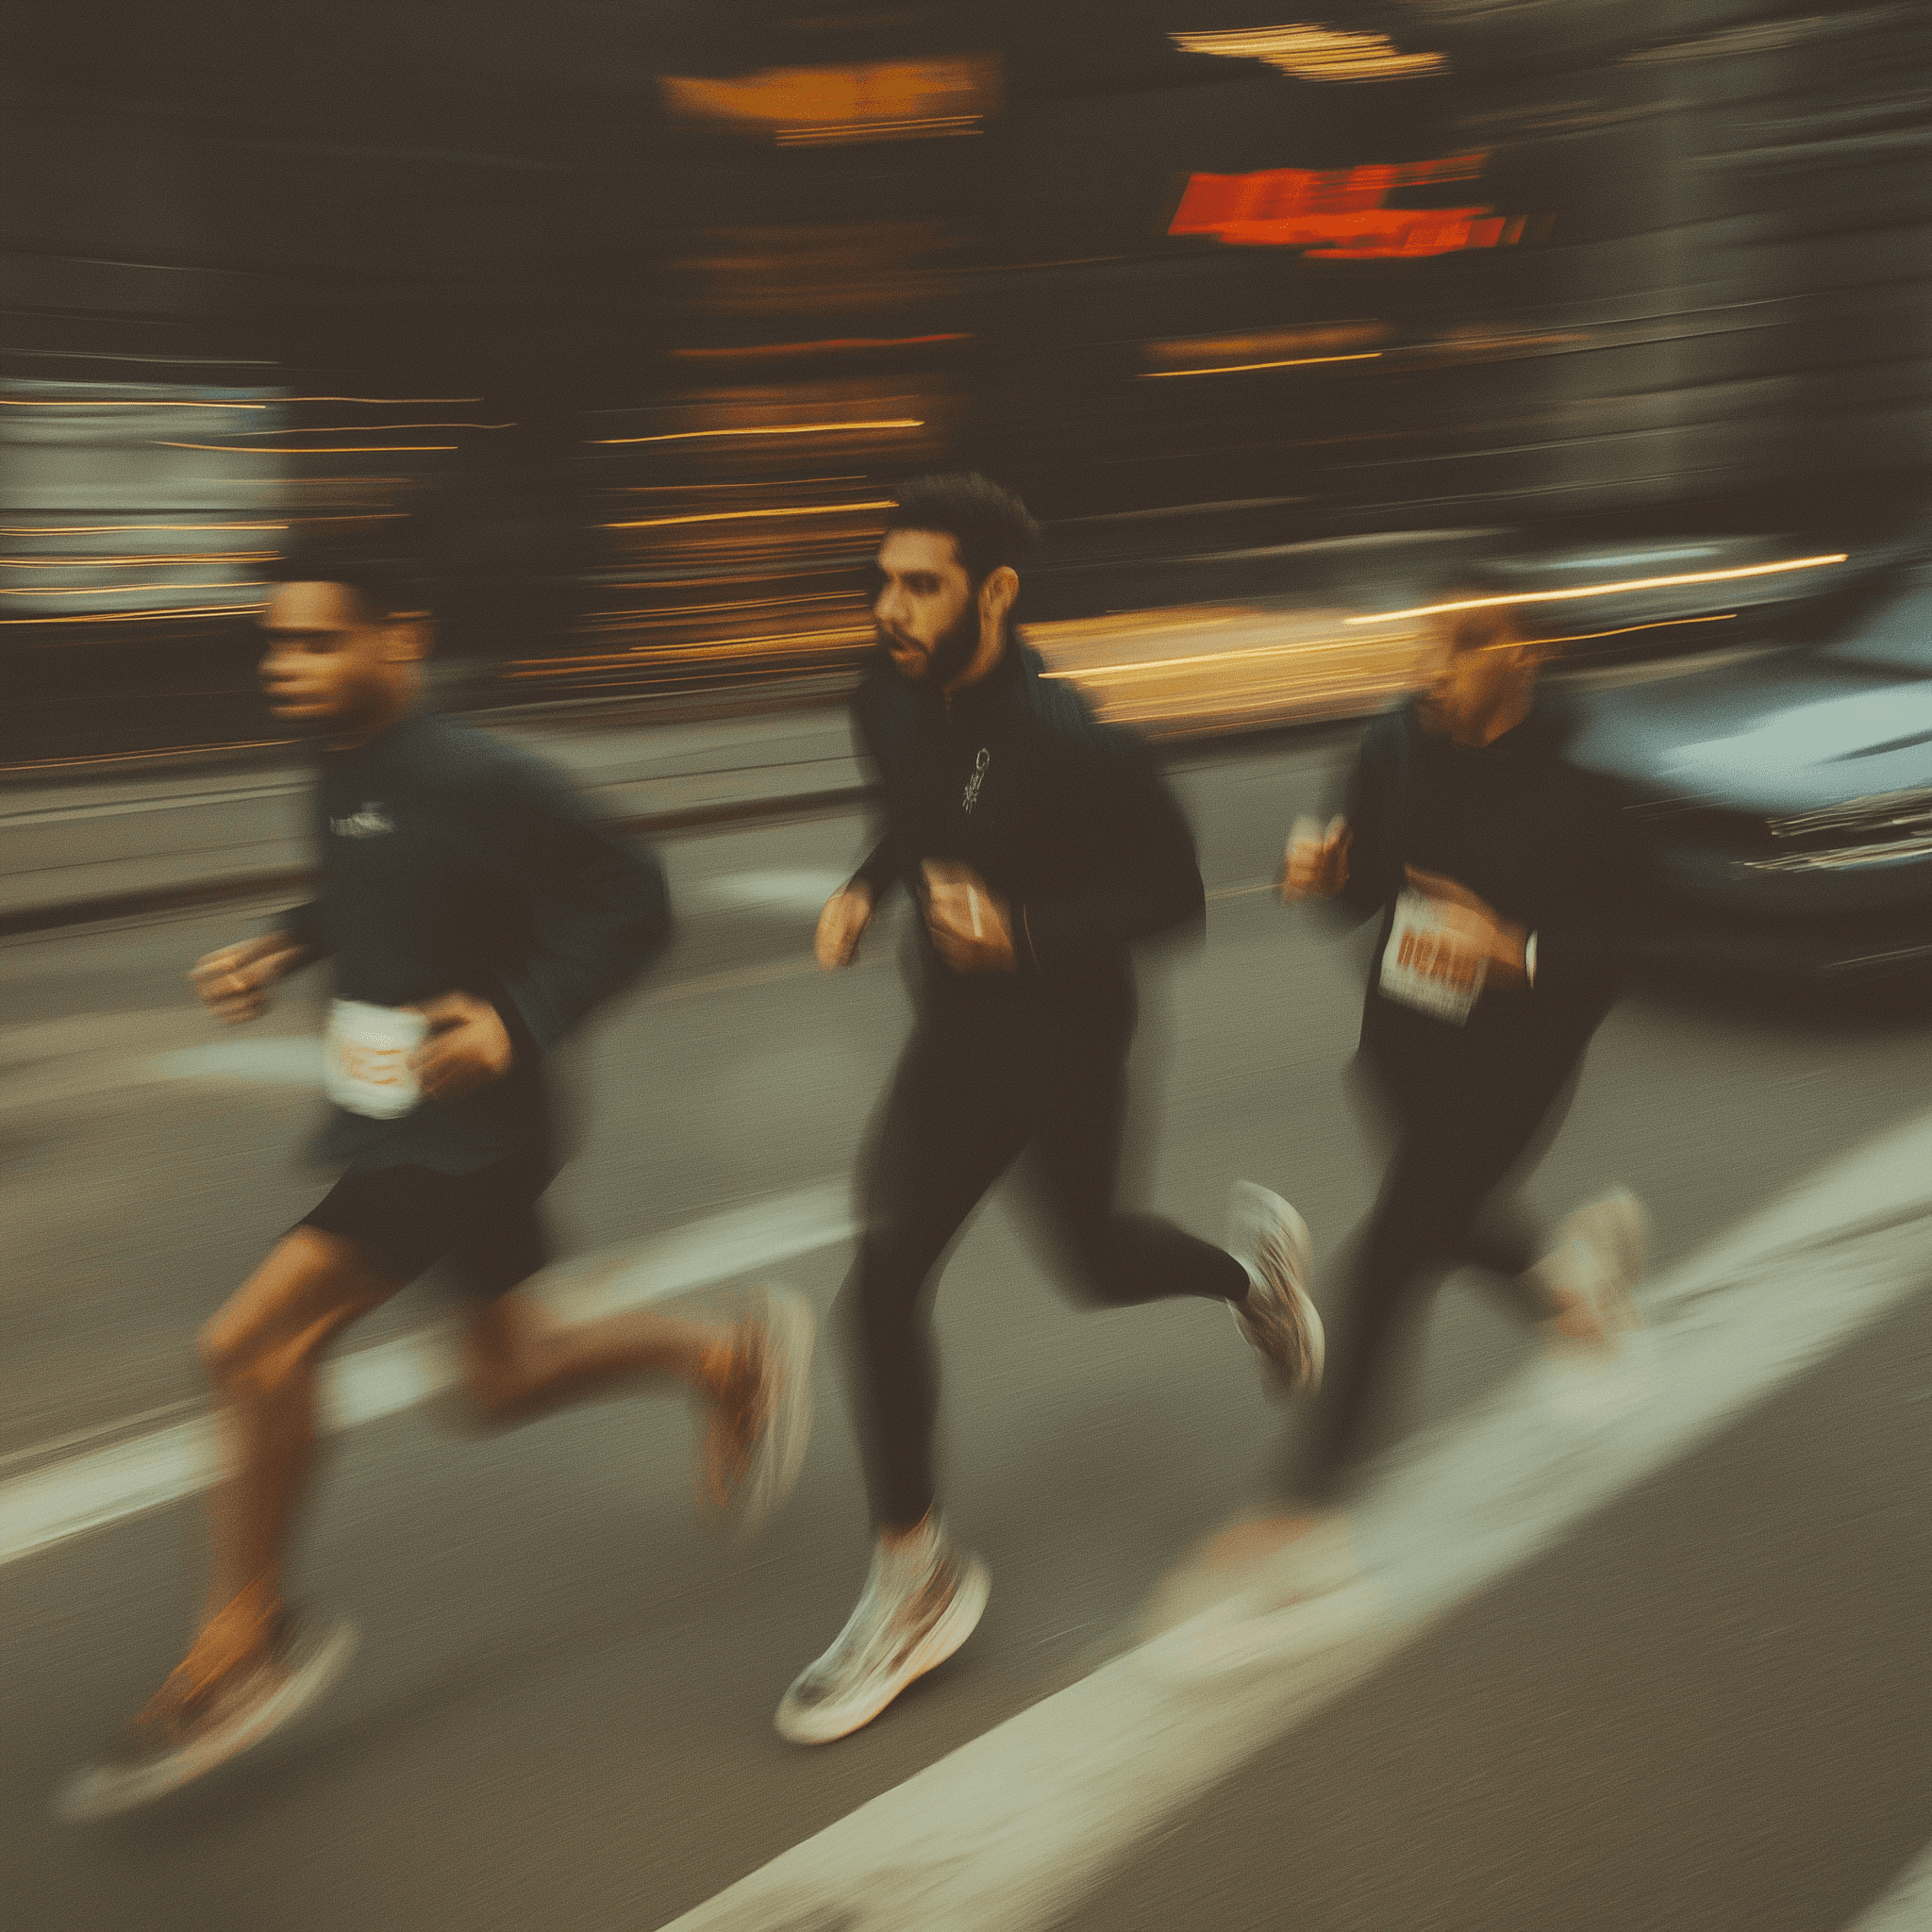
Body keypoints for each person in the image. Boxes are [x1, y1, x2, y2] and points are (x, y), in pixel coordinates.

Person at [57, 547, 814, 1821]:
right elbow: (369, 878)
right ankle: (721, 1360)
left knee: (249, 1344)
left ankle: (246, 1644)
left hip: (465, 1132)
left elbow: (632, 899)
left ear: (397, 642)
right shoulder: (343, 769)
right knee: (500, 1377)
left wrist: (516, 1019)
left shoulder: (483, 777)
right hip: (396, 1119)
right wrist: (284, 943)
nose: (284, 670)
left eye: (313, 645)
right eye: (273, 648)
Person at [775, 473, 1324, 1746]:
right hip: (955, 1041)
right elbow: (911, 814)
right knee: (887, 1275)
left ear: (996, 592)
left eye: (921, 585)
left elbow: (1177, 901)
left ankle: (1252, 1280)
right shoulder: (886, 699)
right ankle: (915, 1580)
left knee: (1093, 1257)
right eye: (883, 582)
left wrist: (1021, 930)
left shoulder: (1082, 745)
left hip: (1071, 1040)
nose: (889, 610)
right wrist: (868, 886)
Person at [1258, 571, 1651, 1553]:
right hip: (1400, 1039)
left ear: (1520, 652)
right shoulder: (1390, 744)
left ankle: (1303, 1501)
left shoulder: (1591, 773)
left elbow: (1630, 938)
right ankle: (1570, 1282)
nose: (1425, 670)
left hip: (1517, 1052)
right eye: (1421, 644)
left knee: (1393, 1248)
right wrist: (1319, 879)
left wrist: (1513, 951)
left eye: (1456, 645)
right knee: (1444, 1214)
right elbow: (1362, 892)